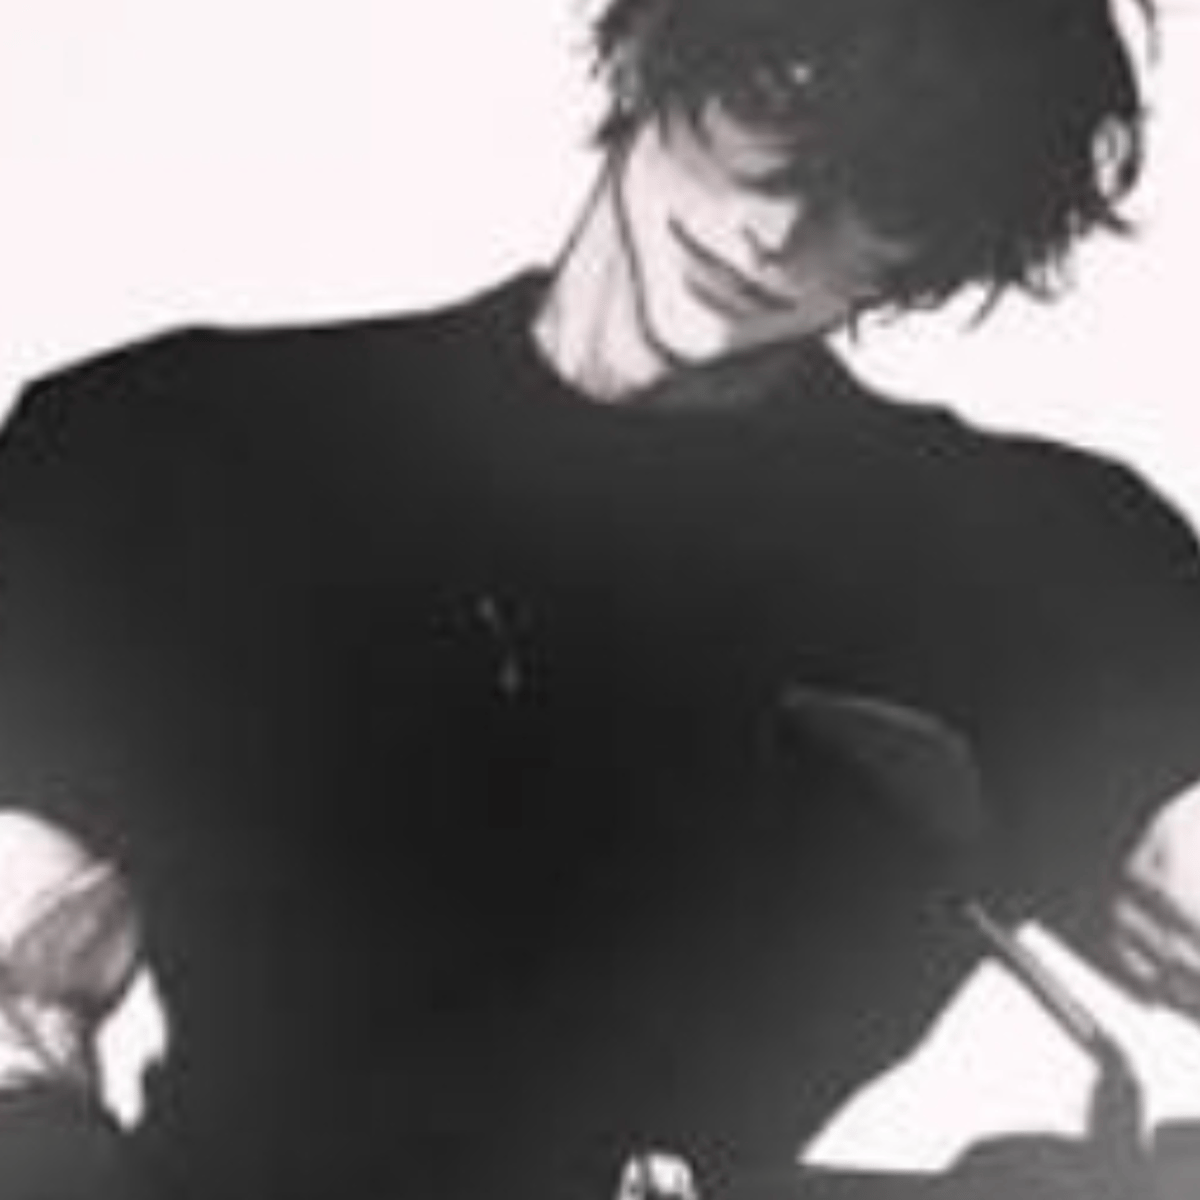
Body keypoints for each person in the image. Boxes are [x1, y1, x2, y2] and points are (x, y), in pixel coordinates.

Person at [0, 0, 1197, 1196]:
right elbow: (18, 995)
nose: (780, 227)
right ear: (663, 48)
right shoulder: (171, 446)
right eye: (766, 111)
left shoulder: (1043, 563)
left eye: (891, 189)